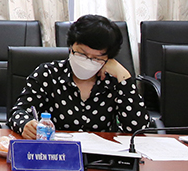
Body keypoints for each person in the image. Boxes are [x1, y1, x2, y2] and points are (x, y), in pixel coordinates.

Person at [9, 14, 149, 139]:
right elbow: (18, 112)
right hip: (56, 152)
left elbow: (138, 129)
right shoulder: (48, 73)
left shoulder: (113, 81)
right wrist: (26, 124)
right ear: (71, 47)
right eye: (82, 54)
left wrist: (123, 76)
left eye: (96, 58)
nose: (87, 61)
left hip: (100, 155)